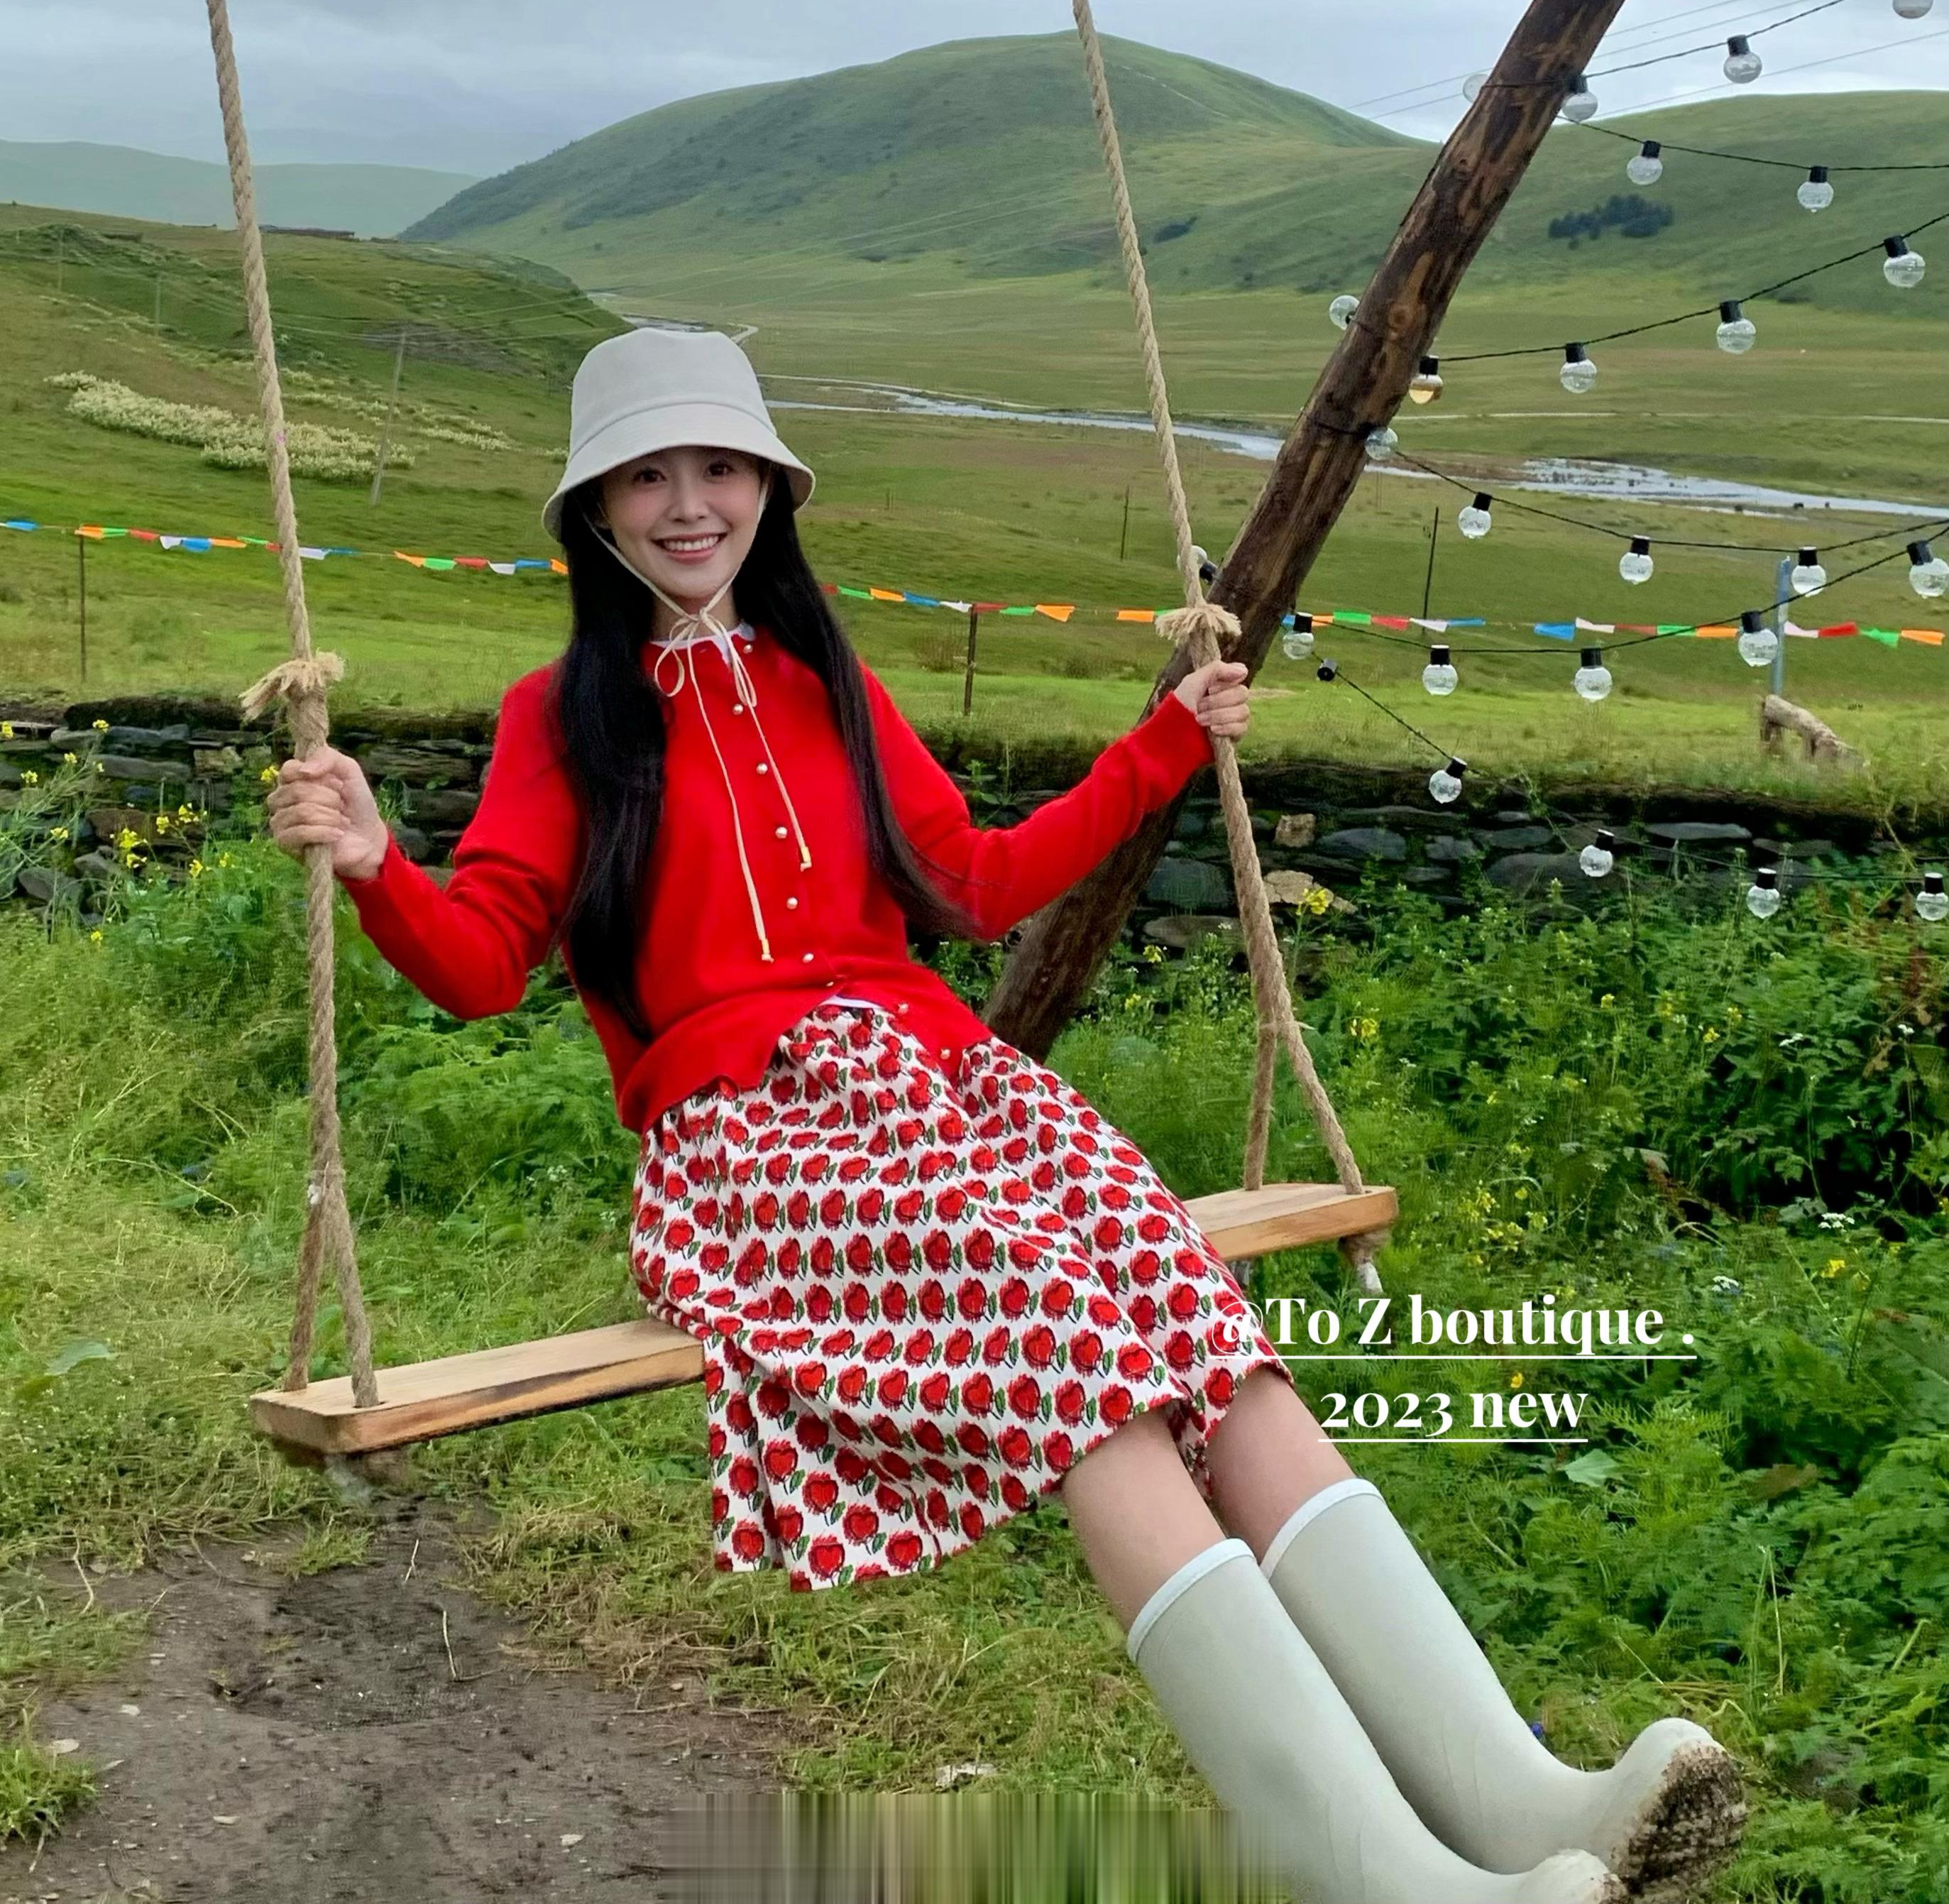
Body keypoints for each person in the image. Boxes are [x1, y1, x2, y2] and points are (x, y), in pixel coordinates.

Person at [267, 329, 1743, 1904]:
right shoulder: (561, 715)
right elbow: (484, 962)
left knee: (1198, 1322)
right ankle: (1383, 1881)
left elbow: (969, 882)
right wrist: (377, 865)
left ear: (768, 487)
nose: (690, 503)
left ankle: (1515, 1798)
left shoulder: (825, 678)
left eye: (720, 466)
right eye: (648, 475)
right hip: (752, 1135)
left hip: (950, 1084)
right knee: (1075, 1352)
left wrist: (1164, 743)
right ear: (596, 511)